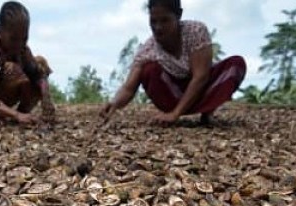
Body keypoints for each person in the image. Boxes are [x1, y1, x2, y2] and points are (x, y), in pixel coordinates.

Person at [100, 0, 246, 126]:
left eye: (164, 20)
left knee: (236, 65)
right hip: (173, 96)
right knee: (148, 70)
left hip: (201, 89)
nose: (158, 27)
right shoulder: (148, 50)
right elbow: (129, 88)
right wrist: (114, 104)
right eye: (153, 21)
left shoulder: (196, 31)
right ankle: (177, 110)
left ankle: (207, 111)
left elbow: (201, 77)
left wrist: (175, 114)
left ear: (179, 15)